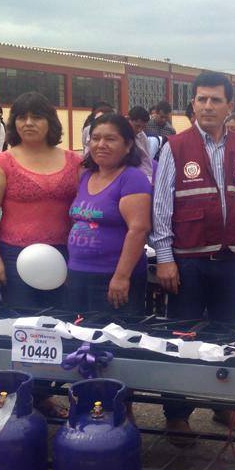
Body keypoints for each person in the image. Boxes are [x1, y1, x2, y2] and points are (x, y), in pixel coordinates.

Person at [151, 71, 235, 435]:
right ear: (193, 104)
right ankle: (177, 415)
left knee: (226, 338)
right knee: (182, 337)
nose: (208, 106)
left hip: (231, 261)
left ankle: (224, 407)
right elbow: (162, 206)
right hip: (188, 262)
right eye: (202, 99)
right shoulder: (175, 147)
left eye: (216, 100)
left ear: (230, 105)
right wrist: (165, 257)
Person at [0, 91, 81, 310]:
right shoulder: (1, 163)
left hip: (67, 254)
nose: (28, 123)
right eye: (21, 117)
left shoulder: (75, 161)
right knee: (22, 325)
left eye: (36, 117)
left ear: (50, 122)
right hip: (14, 256)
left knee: (65, 323)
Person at [67, 113, 152, 317]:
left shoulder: (132, 178)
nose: (101, 144)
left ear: (128, 145)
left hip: (113, 278)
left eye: (110, 139)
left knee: (111, 345)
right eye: (95, 138)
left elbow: (139, 230)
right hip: (78, 274)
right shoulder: (86, 176)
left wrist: (121, 277)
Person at [126, 105, 155, 180]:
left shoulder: (142, 136)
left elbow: (146, 161)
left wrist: (147, 179)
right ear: (128, 119)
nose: (139, 130)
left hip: (135, 175)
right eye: (137, 126)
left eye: (143, 127)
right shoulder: (116, 133)